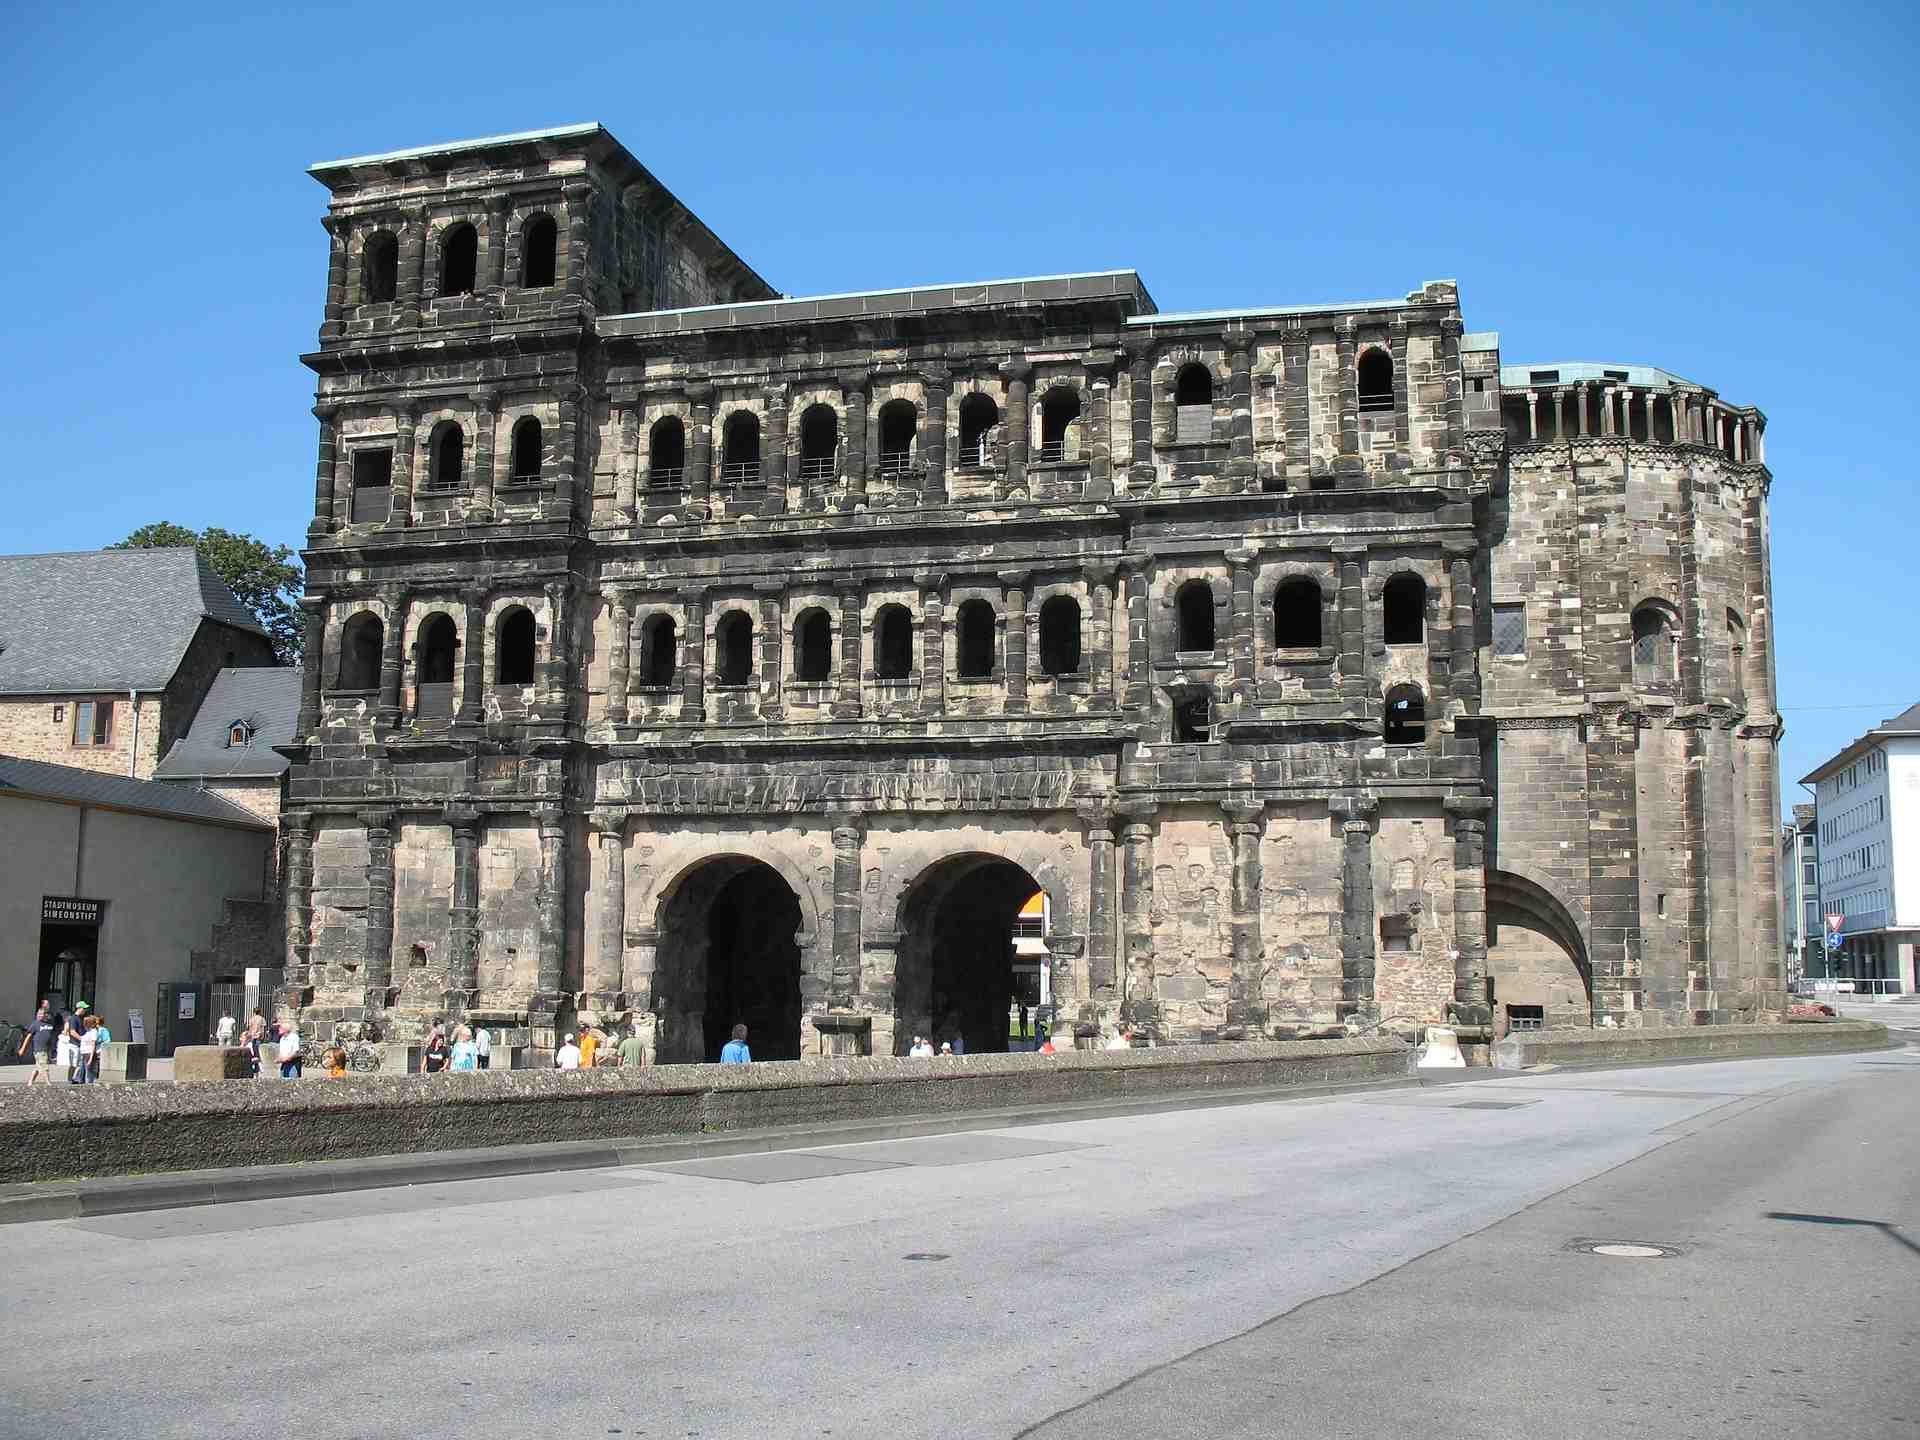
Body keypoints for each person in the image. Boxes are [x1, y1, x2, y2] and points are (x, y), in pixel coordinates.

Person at [19, 1002, 55, 1085]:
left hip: (46, 1049)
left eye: (42, 1014)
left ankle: (30, 1082)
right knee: (44, 1066)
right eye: (38, 1014)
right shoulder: (35, 1024)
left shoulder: (50, 1024)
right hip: (39, 1049)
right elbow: (28, 1037)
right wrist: (22, 1049)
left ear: (46, 1015)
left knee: (38, 1066)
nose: (40, 1015)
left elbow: (51, 1037)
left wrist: (52, 1050)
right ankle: (48, 1083)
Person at [76, 1015, 100, 1084]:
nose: (84, 1025)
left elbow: (93, 1045)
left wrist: (90, 1058)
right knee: (82, 1071)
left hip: (89, 1053)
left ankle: (89, 1085)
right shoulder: (87, 1031)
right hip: (83, 1053)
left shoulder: (93, 1032)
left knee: (89, 1073)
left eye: (85, 1023)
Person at [91, 1014, 113, 1082]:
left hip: (99, 1049)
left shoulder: (103, 1030)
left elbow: (107, 1040)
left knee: (97, 1063)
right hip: (95, 1049)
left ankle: (96, 1076)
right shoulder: (95, 1029)